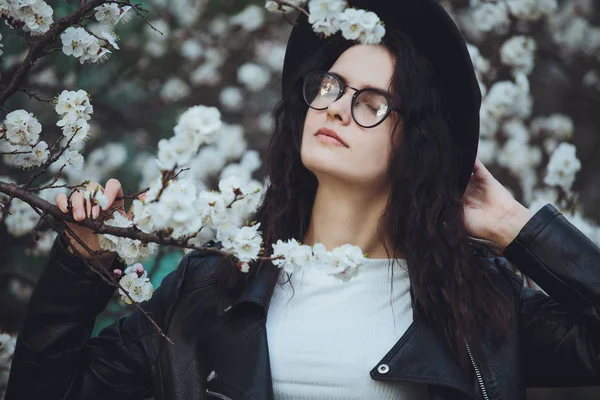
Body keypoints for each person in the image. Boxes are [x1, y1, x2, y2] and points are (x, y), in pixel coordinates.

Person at [6, 1, 600, 399]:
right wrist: (81, 263)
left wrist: (519, 228)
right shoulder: (208, 289)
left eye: (371, 102)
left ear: (416, 142)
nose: (338, 106)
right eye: (332, 86)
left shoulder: (481, 306)